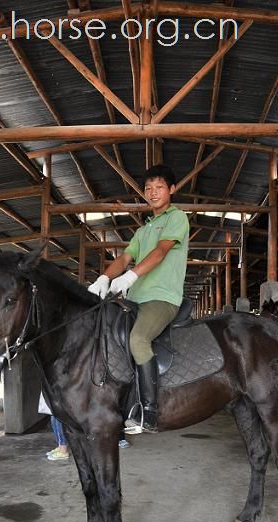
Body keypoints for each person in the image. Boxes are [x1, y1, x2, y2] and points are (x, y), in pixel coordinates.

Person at [88, 164, 189, 434]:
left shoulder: (176, 218)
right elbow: (123, 258)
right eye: (148, 188)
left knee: (138, 339)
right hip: (134, 299)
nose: (153, 193)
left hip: (161, 298)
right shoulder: (143, 230)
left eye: (159, 187)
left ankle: (149, 412)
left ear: (171, 189)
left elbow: (161, 252)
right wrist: (104, 279)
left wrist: (130, 277)